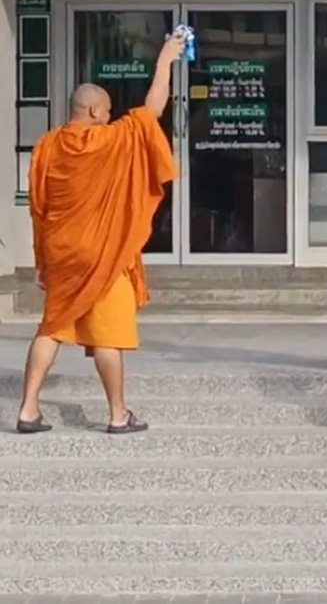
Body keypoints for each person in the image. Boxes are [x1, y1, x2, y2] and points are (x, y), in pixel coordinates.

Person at [16, 33, 186, 435]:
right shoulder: (111, 139)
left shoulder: (47, 147)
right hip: (103, 252)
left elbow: (39, 207)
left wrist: (41, 260)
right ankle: (118, 414)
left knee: (51, 326)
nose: (110, 116)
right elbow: (153, 108)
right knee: (108, 333)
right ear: (93, 110)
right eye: (107, 110)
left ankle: (28, 409)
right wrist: (165, 60)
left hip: (61, 251)